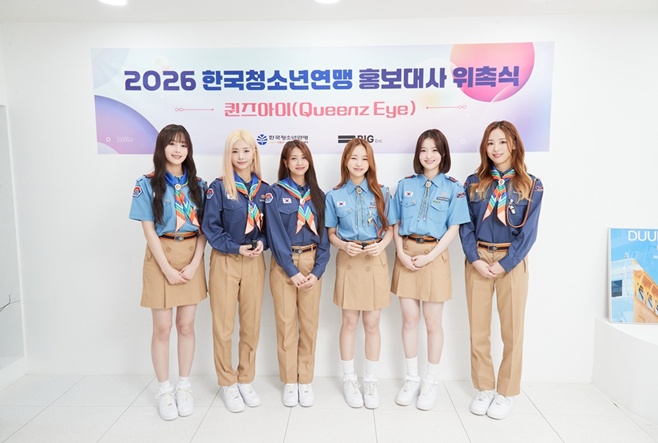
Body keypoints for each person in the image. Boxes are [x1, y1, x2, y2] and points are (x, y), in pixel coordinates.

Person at [459, 120, 544, 420]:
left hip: (512, 260)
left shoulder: (532, 185)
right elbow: (465, 224)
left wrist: (506, 263)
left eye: (502, 142)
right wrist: (474, 258)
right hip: (479, 258)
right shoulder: (473, 183)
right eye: (490, 143)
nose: (495, 148)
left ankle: (506, 392)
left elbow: (529, 232)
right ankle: (484, 387)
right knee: (478, 329)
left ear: (514, 145)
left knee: (512, 330)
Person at [129, 124, 207, 421]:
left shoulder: (199, 185)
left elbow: (205, 229)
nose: (178, 150)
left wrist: (195, 263)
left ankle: (184, 386)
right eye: (172, 144)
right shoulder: (147, 184)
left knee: (186, 326)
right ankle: (164, 390)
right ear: (162, 147)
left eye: (183, 145)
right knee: (162, 329)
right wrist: (166, 268)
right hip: (161, 256)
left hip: (191, 255)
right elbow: (148, 230)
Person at [391, 129, 470, 411]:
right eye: (423, 150)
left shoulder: (453, 188)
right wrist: (400, 253)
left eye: (434, 150)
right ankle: (412, 378)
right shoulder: (405, 185)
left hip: (435, 257)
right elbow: (395, 223)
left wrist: (430, 257)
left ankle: (430, 381)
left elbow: (454, 228)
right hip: (406, 256)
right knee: (409, 320)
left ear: (443, 154)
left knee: (433, 323)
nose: (428, 155)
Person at [325, 138, 397, 409]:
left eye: (364, 158)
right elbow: (331, 234)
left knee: (372, 323)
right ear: (346, 161)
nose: (359, 163)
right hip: (349, 261)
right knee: (349, 323)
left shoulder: (382, 193)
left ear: (371, 163)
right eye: (354, 157)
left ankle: (371, 381)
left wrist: (383, 245)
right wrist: (343, 245)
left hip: (374, 260)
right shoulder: (334, 195)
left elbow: (391, 229)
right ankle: (349, 380)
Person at [202, 129, 271, 413]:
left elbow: (270, 229)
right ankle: (227, 382)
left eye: (246, 151)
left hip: (254, 263)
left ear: (254, 153)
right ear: (228, 155)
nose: (241, 157)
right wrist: (235, 247)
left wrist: (262, 243)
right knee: (224, 327)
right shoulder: (219, 188)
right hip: (226, 261)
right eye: (235, 151)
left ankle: (245, 379)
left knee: (251, 325)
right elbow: (210, 228)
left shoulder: (265, 190)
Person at [265, 140, 330, 407]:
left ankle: (306, 380)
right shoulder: (274, 193)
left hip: (311, 262)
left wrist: (318, 270)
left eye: (303, 157)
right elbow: (275, 235)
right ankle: (290, 381)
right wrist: (291, 270)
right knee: (286, 324)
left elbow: (325, 236)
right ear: (285, 162)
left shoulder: (319, 195)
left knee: (309, 324)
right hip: (285, 265)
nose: (299, 163)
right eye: (293, 158)